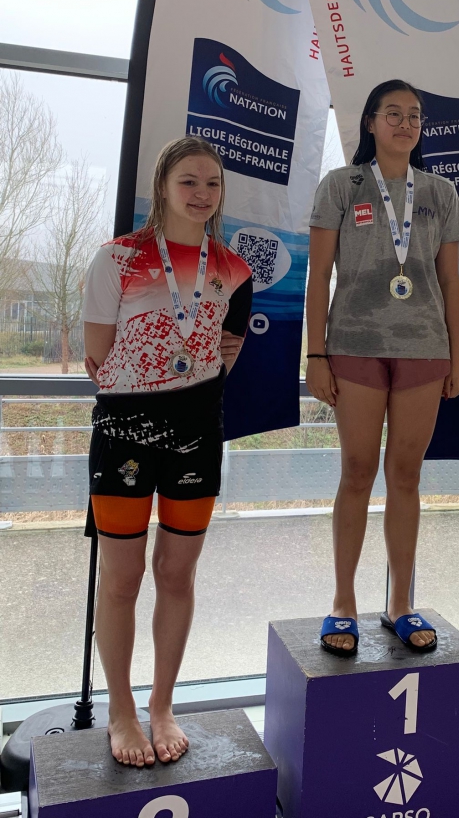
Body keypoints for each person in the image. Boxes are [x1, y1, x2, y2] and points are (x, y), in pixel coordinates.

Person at [82, 137, 252, 767]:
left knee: (177, 575)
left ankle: (161, 706)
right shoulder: (118, 258)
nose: (202, 193)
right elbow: (98, 354)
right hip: (124, 434)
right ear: (162, 186)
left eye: (212, 183)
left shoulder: (235, 269)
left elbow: (227, 350)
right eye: (188, 181)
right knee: (122, 578)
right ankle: (121, 710)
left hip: (197, 435)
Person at [306, 79, 459, 657]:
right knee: (356, 473)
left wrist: (458, 356)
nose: (405, 123)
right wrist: (315, 354)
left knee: (406, 477)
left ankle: (400, 602)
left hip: (424, 349)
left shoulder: (441, 192)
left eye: (414, 116)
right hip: (354, 345)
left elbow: (450, 282)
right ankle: (343, 602)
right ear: (371, 122)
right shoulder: (341, 185)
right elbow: (318, 277)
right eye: (393, 113)